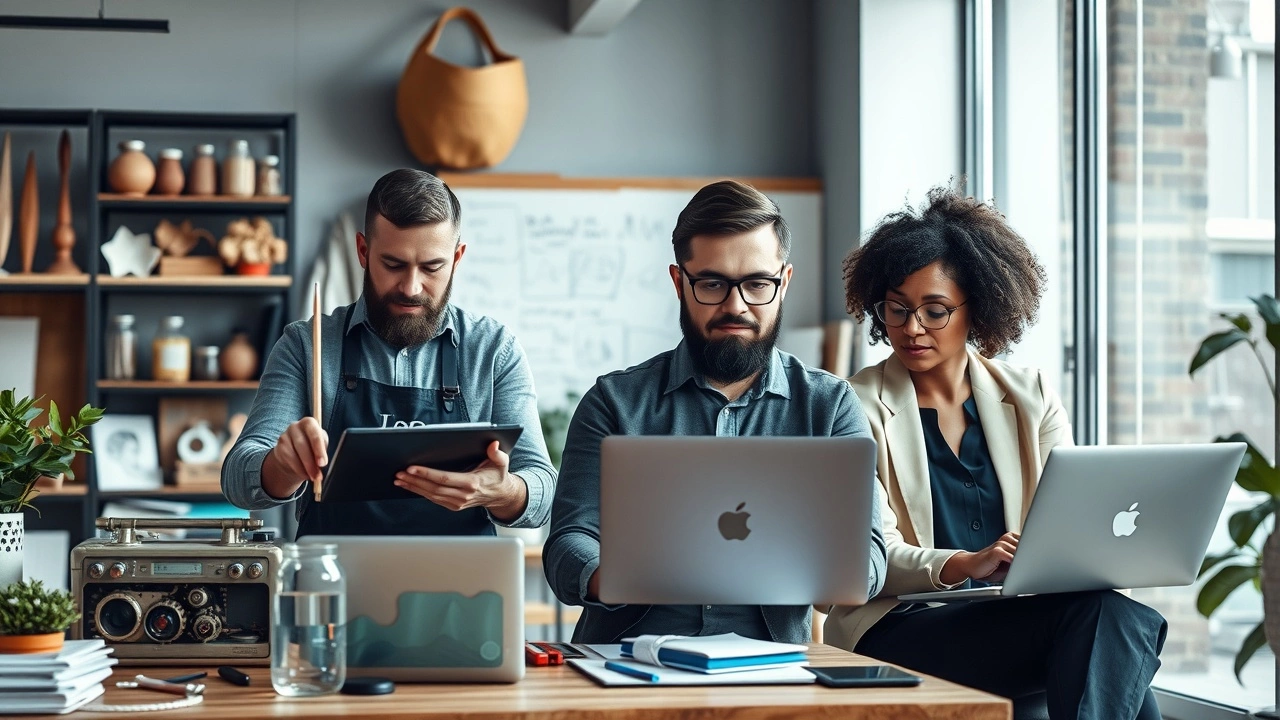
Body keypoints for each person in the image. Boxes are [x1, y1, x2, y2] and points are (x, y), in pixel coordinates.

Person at [823, 184, 1166, 719]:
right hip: (897, 626)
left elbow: (1071, 524)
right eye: (895, 309)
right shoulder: (850, 406)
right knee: (1111, 622)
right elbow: (863, 560)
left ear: (976, 310)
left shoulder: (1029, 398)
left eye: (935, 311)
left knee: (1107, 616)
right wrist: (965, 563)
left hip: (1010, 617)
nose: (911, 329)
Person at [544, 180, 887, 644]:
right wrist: (622, 577)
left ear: (783, 282)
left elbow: (868, 557)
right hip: (627, 662)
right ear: (678, 282)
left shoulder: (829, 407)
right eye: (711, 284)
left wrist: (814, 568)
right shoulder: (612, 403)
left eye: (757, 284)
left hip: (773, 670)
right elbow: (568, 545)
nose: (735, 306)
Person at [223, 169, 556, 538]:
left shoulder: (493, 350)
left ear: (457, 258)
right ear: (363, 251)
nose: (411, 287)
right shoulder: (306, 345)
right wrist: (282, 465)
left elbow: (542, 488)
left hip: (461, 589)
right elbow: (238, 478)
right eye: (394, 265)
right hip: (336, 583)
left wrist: (503, 491)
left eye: (432, 267)